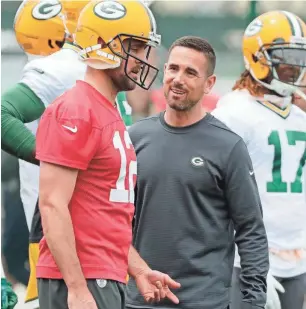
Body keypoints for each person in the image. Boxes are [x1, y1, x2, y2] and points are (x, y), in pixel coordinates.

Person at [35, 1, 181, 309]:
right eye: (136, 47)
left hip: (102, 274)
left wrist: (138, 268)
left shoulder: (108, 110)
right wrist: (76, 288)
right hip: (82, 278)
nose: (143, 59)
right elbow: (52, 204)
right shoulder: (76, 109)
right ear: (102, 45)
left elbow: (101, 213)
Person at [1, 0, 133, 307]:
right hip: (69, 233)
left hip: (104, 230)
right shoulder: (67, 66)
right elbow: (2, 114)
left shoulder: (96, 74)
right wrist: (57, 159)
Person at [126, 35, 269, 309]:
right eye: (173, 69)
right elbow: (110, 220)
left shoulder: (229, 147)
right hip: (139, 300)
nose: (178, 79)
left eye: (191, 72)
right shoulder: (134, 138)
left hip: (205, 302)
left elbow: (251, 231)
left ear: (209, 84)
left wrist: (253, 302)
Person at [212, 11, 306, 309]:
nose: (294, 66)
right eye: (285, 57)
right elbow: (214, 190)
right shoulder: (234, 112)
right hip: (248, 260)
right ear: (258, 57)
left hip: (298, 258)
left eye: (299, 57)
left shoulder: (299, 115)